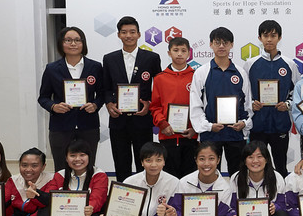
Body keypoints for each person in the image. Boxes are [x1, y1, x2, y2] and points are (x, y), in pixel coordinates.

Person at [102, 16, 162, 181]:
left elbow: (158, 87)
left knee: (145, 162)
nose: (128, 35)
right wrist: (108, 104)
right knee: (121, 163)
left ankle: (145, 197)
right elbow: (106, 87)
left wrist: (149, 103)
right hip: (118, 120)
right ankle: (124, 201)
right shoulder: (109, 59)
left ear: (139, 34)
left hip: (142, 120)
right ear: (118, 35)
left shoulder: (152, 58)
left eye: (132, 32)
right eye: (124, 32)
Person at [37, 26, 104, 171]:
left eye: (77, 40)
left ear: (83, 43)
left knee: (88, 167)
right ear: (61, 43)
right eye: (68, 40)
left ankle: (87, 193)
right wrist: (54, 106)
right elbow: (43, 98)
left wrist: (95, 105)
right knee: (61, 168)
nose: (73, 44)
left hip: (88, 126)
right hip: (61, 127)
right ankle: (62, 194)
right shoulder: (52, 69)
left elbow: (102, 94)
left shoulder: (95, 67)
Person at [190, 27, 253, 175]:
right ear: (211, 44)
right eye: (217, 42)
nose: (221, 46)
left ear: (232, 44)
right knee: (209, 174)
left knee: (238, 175)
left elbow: (247, 104)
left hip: (235, 134)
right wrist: (208, 126)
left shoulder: (240, 72)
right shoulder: (201, 72)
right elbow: (195, 105)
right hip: (210, 134)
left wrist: (244, 123)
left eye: (225, 42)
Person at [222, 141, 293, 216]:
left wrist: (275, 207)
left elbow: (283, 206)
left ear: (266, 159)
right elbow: (231, 207)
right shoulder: (236, 178)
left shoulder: (277, 178)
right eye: (250, 157)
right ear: (245, 160)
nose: (255, 161)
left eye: (259, 156)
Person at [244, 20, 299, 177]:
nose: (269, 39)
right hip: (257, 124)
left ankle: (282, 199)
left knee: (281, 166)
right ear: (259, 38)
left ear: (279, 38)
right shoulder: (250, 64)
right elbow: (244, 94)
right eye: (265, 35)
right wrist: (251, 105)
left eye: (273, 35)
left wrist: (288, 104)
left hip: (280, 124)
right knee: (255, 166)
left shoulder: (290, 65)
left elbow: (298, 92)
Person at [151, 36, 198, 178]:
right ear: (169, 53)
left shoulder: (196, 76)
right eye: (175, 50)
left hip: (190, 136)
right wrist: (162, 123)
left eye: (183, 50)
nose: (179, 54)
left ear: (189, 54)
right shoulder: (160, 78)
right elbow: (155, 107)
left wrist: (195, 128)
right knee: (169, 177)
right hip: (168, 135)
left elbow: (202, 106)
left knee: (189, 177)